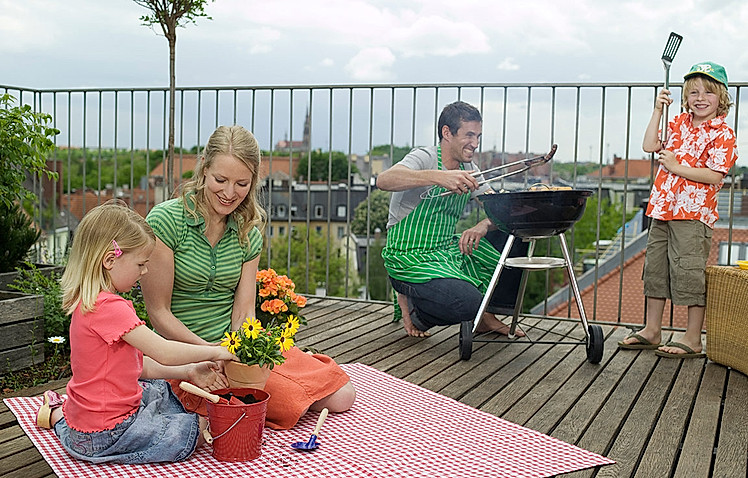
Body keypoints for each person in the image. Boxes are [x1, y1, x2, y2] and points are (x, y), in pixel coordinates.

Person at [140, 125, 356, 430]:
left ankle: (291, 368)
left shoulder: (247, 233)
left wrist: (244, 355)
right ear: (203, 171)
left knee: (343, 396)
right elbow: (159, 313)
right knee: (293, 400)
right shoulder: (165, 222)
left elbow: (243, 312)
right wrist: (210, 354)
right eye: (220, 180)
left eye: (241, 183)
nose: (229, 194)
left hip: (232, 350)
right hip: (183, 355)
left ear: (253, 182)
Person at [35, 201, 237, 464]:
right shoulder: (111, 309)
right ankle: (61, 421)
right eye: (141, 264)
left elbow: (135, 366)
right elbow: (163, 351)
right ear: (110, 260)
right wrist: (218, 349)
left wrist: (187, 371)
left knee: (156, 390)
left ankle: (57, 415)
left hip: (84, 422)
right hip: (107, 433)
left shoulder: (89, 302)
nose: (145, 271)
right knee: (194, 431)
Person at [377, 100, 527, 338]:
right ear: (447, 133)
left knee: (516, 231)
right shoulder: (424, 157)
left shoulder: (469, 167)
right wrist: (438, 177)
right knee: (466, 303)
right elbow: (384, 180)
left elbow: (499, 208)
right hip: (409, 257)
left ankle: (485, 317)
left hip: (445, 251)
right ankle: (419, 312)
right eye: (469, 135)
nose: (475, 143)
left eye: (478, 136)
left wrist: (483, 225)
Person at [618, 61, 738, 358]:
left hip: (693, 214)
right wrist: (658, 109)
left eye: (708, 93)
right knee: (655, 271)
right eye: (693, 92)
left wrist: (676, 166)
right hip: (663, 209)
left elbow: (715, 175)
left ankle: (693, 338)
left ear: (721, 97)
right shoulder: (677, 123)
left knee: (689, 274)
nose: (700, 98)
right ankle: (652, 330)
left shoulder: (723, 133)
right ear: (685, 96)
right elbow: (649, 145)